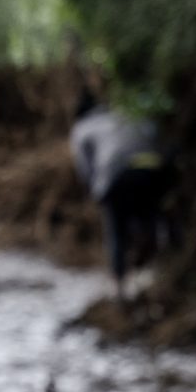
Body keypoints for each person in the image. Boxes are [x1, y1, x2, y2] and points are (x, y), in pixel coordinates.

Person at [70, 91, 170, 298]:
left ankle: (119, 286)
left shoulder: (82, 127)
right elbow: (153, 133)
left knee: (116, 229)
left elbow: (85, 167)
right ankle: (155, 270)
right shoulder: (121, 114)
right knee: (149, 219)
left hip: (115, 175)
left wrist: (95, 191)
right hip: (153, 168)